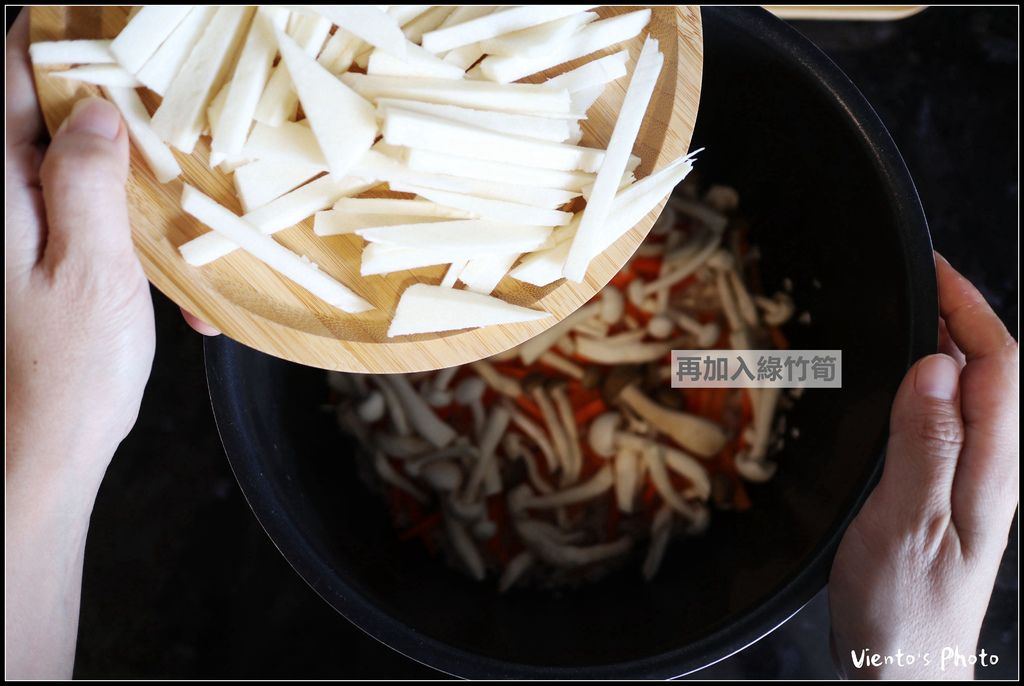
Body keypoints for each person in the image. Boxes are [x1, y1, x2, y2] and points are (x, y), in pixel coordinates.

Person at [4, 12, 1018, 681]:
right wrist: (910, 663)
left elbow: (792, 367)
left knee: (756, 364)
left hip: (703, 366)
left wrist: (38, 449)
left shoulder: (724, 369)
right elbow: (798, 368)